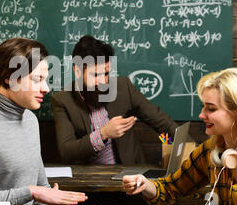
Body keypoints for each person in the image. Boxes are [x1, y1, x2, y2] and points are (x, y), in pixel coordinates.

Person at [123, 67, 237, 205]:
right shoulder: (210, 151)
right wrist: (145, 185)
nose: (202, 115)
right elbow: (168, 190)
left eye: (211, 109)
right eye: (203, 107)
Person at [0, 37, 87, 205]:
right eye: (38, 79)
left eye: (46, 80)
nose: (46, 88)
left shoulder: (30, 120)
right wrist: (31, 192)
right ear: (10, 77)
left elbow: (41, 187)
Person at [51, 35, 178, 164]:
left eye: (106, 73)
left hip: (130, 173)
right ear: (77, 71)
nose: (103, 82)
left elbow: (162, 123)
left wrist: (191, 152)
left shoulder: (123, 87)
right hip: (89, 178)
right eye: (95, 75)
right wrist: (103, 134)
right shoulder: (62, 100)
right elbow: (66, 151)